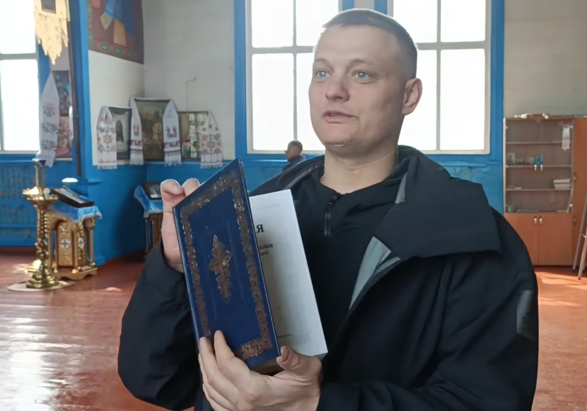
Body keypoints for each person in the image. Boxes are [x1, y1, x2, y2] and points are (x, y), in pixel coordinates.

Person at [118, 8, 539, 411]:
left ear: (409, 95)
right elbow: (158, 380)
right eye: (322, 72)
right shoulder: (245, 216)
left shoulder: (472, 239)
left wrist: (320, 405)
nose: (334, 90)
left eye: (362, 73)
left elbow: (486, 401)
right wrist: (174, 268)